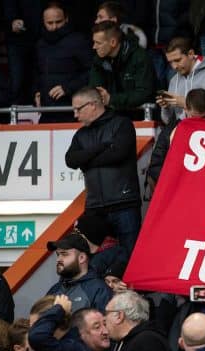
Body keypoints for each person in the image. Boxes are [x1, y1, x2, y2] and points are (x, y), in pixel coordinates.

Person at [65, 87, 142, 255]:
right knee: (94, 261)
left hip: (124, 204)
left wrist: (87, 161)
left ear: (93, 104)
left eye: (78, 109)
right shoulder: (81, 134)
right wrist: (101, 147)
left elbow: (118, 154)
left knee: (130, 258)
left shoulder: (122, 124)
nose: (75, 115)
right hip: (95, 208)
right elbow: (70, 160)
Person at [34, 2, 92, 123]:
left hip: (73, 112)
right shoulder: (40, 44)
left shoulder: (79, 40)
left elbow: (92, 71)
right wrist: (36, 91)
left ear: (66, 19)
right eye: (49, 23)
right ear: (43, 22)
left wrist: (68, 88)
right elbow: (35, 73)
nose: (54, 27)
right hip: (46, 113)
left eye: (58, 21)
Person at [158, 36, 205, 126]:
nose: (174, 66)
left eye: (177, 60)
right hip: (183, 133)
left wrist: (187, 104)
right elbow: (168, 121)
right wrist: (166, 107)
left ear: (191, 54)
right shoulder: (174, 80)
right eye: (170, 62)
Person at [89, 21, 155, 111]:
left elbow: (144, 93)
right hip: (112, 114)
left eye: (98, 43)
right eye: (94, 42)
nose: (94, 47)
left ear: (113, 42)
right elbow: (95, 90)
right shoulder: (98, 60)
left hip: (140, 114)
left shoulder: (139, 57)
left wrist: (111, 99)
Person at [46, 233, 112, 312]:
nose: (58, 259)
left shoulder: (99, 290)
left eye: (64, 254)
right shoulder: (55, 289)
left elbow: (105, 323)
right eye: (58, 254)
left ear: (82, 258)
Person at [74, 214, 129, 279]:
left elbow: (112, 280)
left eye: (78, 232)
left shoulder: (117, 252)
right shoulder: (80, 254)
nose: (74, 236)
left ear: (90, 232)